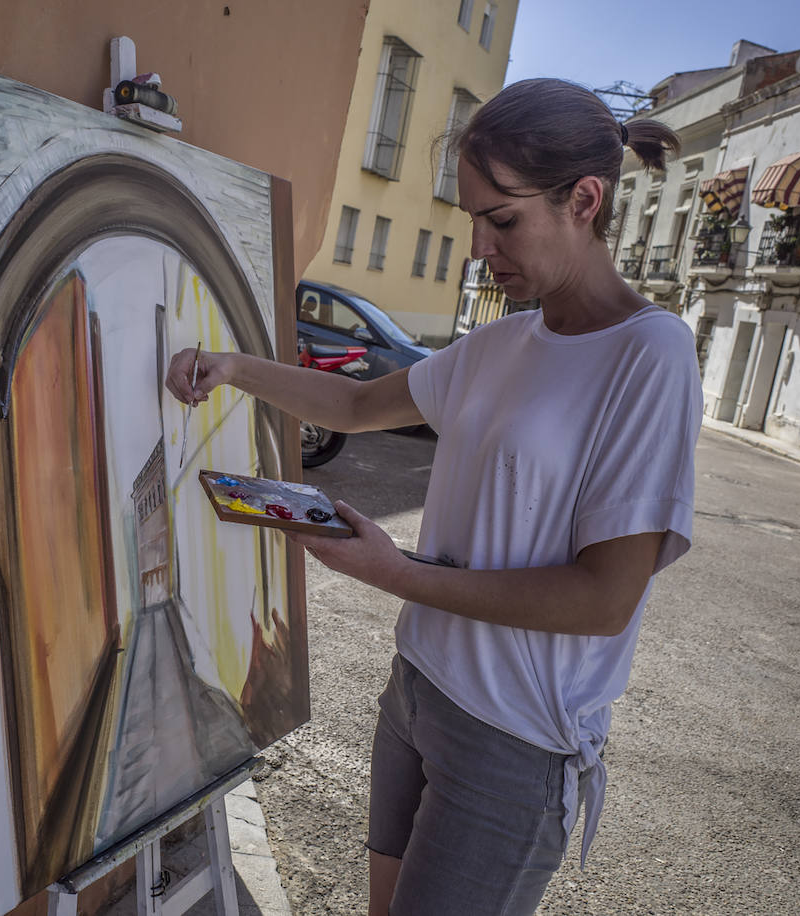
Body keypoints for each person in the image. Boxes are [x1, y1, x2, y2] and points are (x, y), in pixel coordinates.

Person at [165, 78, 701, 915]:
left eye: (503, 219)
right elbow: (353, 405)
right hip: (418, 690)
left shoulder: (651, 355)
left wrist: (397, 573)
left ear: (585, 200)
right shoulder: (502, 342)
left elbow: (604, 599)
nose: (480, 247)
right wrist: (233, 368)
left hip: (515, 739)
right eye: (473, 220)